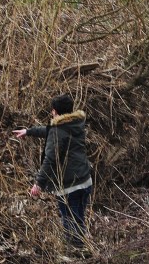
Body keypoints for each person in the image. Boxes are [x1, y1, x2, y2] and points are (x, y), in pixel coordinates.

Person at [12, 93, 92, 247]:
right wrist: (28, 132)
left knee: (70, 224)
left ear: (55, 112)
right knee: (79, 220)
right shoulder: (75, 123)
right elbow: (49, 130)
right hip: (85, 180)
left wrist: (38, 184)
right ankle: (84, 251)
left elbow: (50, 159)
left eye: (52, 110)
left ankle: (77, 256)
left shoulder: (58, 131)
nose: (51, 112)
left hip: (70, 186)